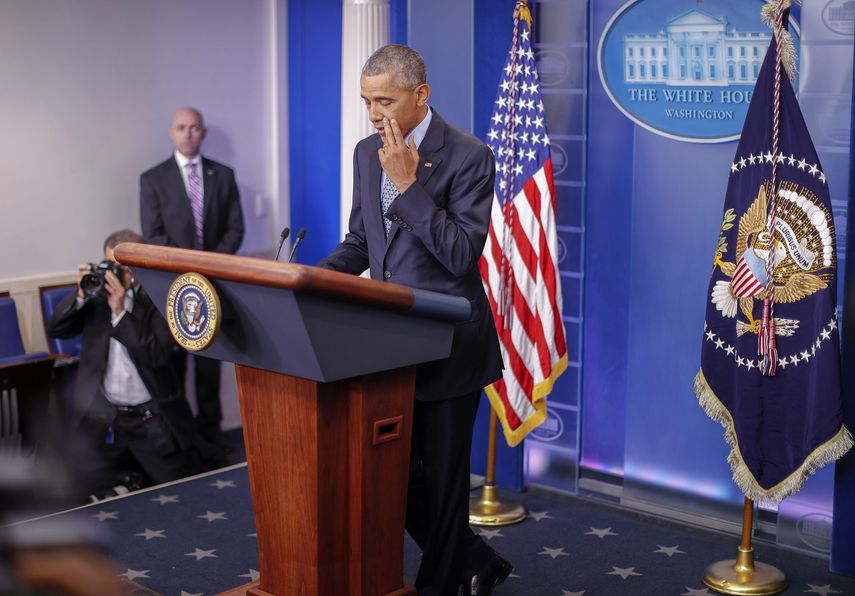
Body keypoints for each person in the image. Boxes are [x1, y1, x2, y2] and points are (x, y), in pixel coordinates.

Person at [317, 45, 511, 596]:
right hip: (390, 346)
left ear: (420, 95)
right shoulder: (363, 152)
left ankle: (442, 586)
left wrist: (407, 185)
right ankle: (476, 561)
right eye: (366, 101)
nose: (375, 114)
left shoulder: (471, 155)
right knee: (395, 478)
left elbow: (458, 255)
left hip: (451, 345)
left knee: (446, 484)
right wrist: (308, 282)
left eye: (385, 100)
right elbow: (361, 241)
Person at [47, 229, 206, 498]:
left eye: (123, 267)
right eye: (110, 265)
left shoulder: (161, 300)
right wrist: (82, 294)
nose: (118, 274)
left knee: (182, 493)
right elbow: (58, 329)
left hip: (152, 421)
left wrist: (121, 312)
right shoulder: (96, 300)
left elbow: (157, 355)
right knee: (72, 489)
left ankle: (136, 481)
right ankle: (128, 483)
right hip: (108, 419)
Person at [139, 107, 244, 445]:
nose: (188, 133)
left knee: (209, 369)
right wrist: (188, 267)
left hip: (214, 287)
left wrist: (208, 266)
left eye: (194, 127)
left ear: (204, 133)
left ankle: (211, 442)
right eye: (181, 127)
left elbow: (235, 228)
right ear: (172, 132)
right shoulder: (153, 179)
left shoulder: (223, 175)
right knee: (173, 368)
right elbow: (152, 234)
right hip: (172, 289)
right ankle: (183, 443)